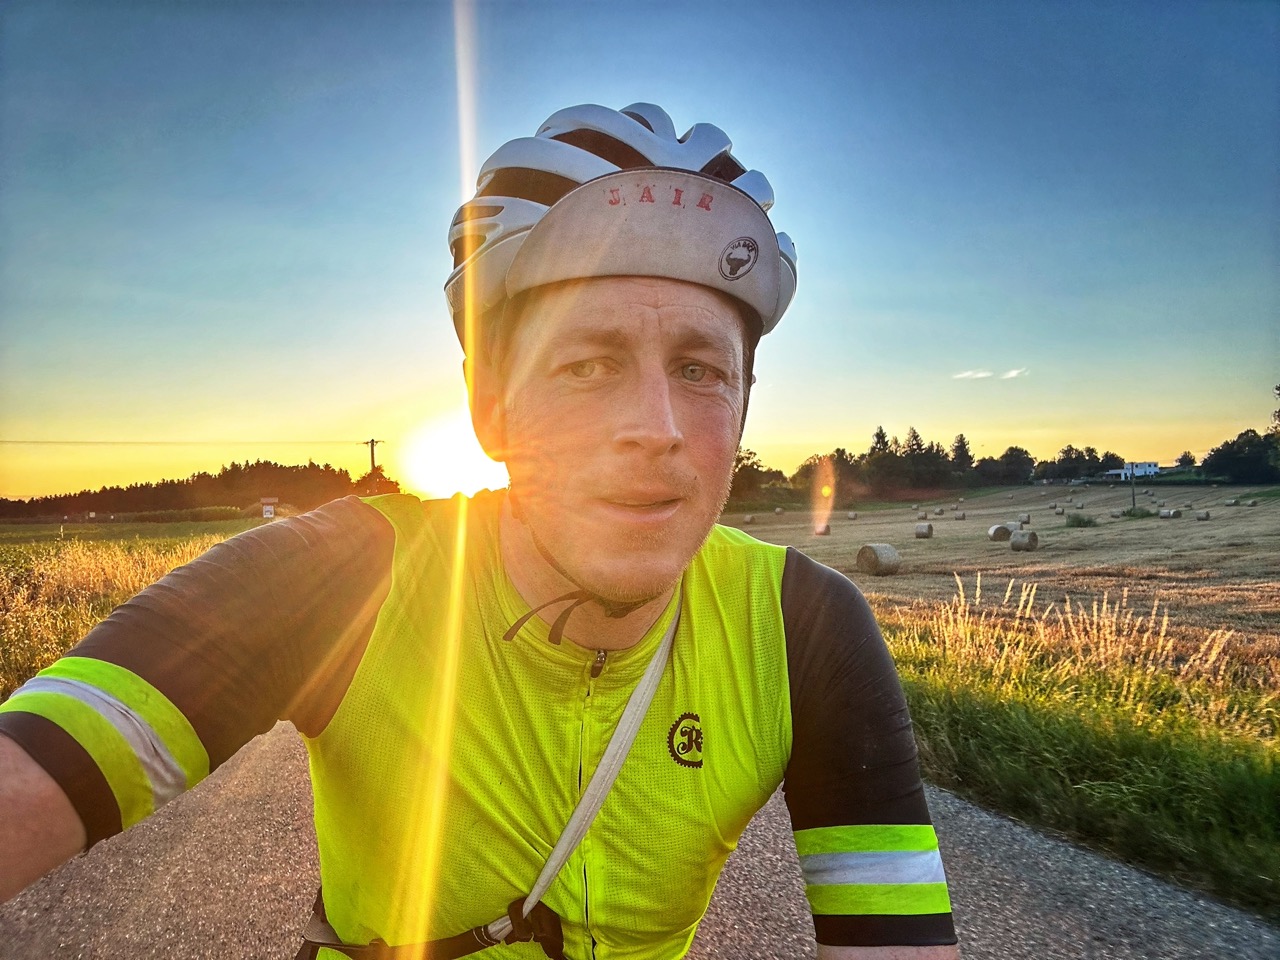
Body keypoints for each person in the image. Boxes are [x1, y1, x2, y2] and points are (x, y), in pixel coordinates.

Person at [0, 102, 959, 959]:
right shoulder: (346, 579)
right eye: (588, 363)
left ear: (744, 405)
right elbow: (37, 768)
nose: (657, 429)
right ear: (491, 405)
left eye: (700, 370)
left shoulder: (802, 627)